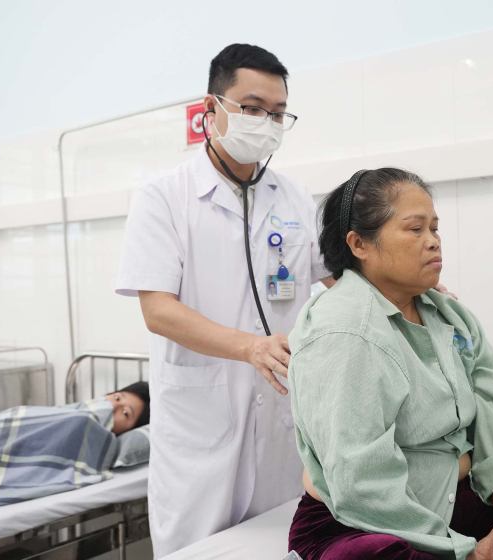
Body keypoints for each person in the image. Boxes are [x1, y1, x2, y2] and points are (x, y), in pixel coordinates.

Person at [115, 44, 336, 557]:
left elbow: (338, 281)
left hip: (280, 424)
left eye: (278, 114)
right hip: (200, 433)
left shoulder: (294, 197)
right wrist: (250, 347)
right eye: (253, 108)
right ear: (211, 108)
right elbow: (158, 311)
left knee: (279, 544)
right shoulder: (163, 197)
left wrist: (407, 293)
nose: (267, 123)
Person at [288, 169, 493, 560]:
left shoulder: (450, 316)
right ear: (359, 244)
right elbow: (360, 484)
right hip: (361, 523)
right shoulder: (343, 331)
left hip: (452, 501)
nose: (433, 241)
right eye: (415, 229)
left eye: (435, 229)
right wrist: (466, 553)